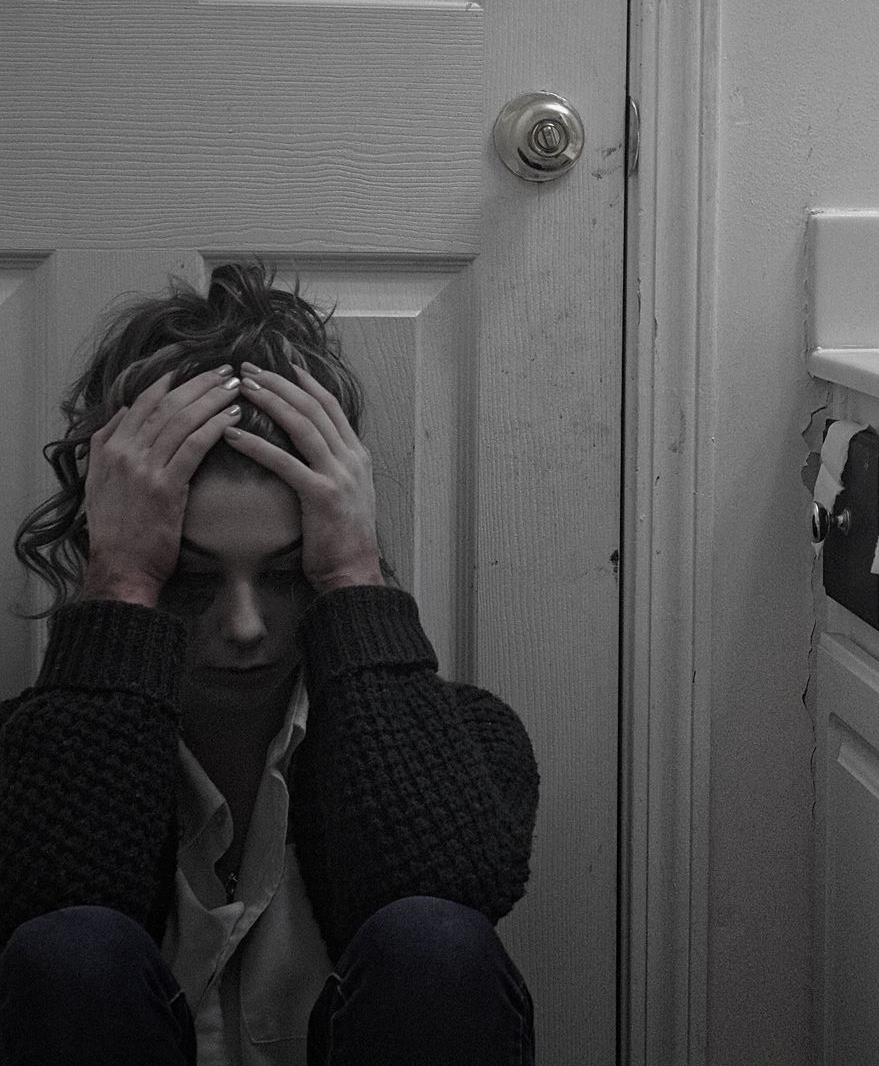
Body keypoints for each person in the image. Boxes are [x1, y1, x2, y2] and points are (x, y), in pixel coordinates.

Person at [0, 263, 538, 1064]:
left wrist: (353, 575)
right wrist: (120, 584)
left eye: (287, 574)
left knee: (433, 942)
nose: (246, 626)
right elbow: (59, 954)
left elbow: (446, 924)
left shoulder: (469, 741)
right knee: (69, 952)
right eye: (188, 580)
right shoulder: (25, 763)